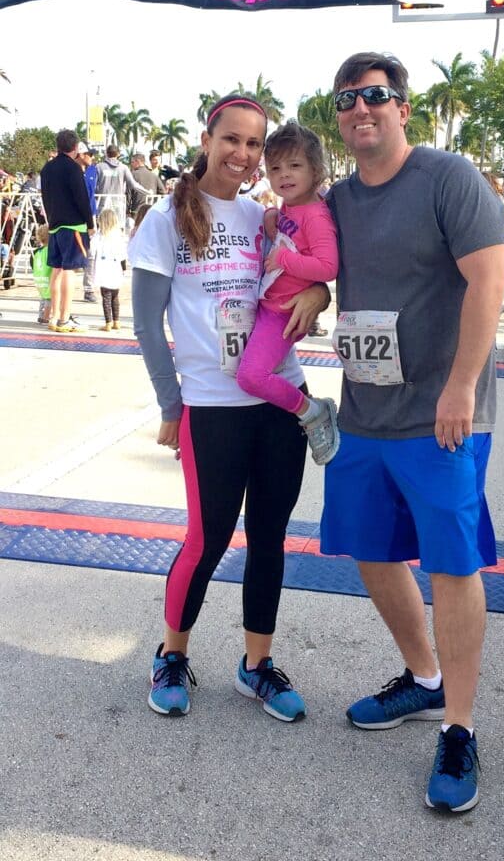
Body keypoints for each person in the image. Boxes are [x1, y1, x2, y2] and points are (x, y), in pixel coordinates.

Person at [320, 52, 504, 814]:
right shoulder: (336, 198)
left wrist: (461, 384)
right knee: (370, 552)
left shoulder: (447, 179)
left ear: (402, 107)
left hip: (443, 415)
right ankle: (423, 680)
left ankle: (459, 727)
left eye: (375, 96)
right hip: (364, 411)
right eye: (346, 99)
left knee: (452, 565)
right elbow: (311, 261)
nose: (361, 109)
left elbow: (489, 278)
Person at [130, 94, 328, 721]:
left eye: (254, 145)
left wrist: (321, 292)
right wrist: (170, 404)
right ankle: (171, 654)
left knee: (269, 538)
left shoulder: (265, 216)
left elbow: (306, 272)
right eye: (232, 141)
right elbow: (144, 324)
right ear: (208, 138)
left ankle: (256, 665)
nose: (243, 155)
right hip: (212, 405)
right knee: (208, 538)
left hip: (278, 400)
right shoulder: (165, 218)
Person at [235, 121, 339, 465]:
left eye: (295, 166)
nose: (284, 175)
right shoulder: (292, 207)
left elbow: (327, 267)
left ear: (316, 170)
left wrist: (284, 259)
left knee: (251, 376)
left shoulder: (316, 215)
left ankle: (312, 411)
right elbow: (288, 231)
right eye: (276, 168)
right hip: (269, 305)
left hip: (283, 313)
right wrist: (272, 215)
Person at [40, 129, 94, 333]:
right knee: (70, 271)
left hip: (55, 224)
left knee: (57, 269)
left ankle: (54, 315)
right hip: (74, 226)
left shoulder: (47, 169)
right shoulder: (73, 168)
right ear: (75, 147)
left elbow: (45, 197)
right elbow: (82, 199)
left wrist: (51, 219)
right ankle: (64, 318)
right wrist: (90, 224)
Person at [95, 144, 148, 231]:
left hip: (102, 203)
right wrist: (148, 192)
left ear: (106, 153)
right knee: (117, 230)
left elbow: (94, 186)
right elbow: (133, 185)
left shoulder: (99, 167)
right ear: (118, 154)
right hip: (118, 204)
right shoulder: (123, 168)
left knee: (102, 229)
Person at [90, 208, 126, 331]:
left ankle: (108, 322)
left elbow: (92, 249)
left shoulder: (99, 235)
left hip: (103, 268)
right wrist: (124, 268)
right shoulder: (119, 235)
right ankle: (117, 321)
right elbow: (122, 254)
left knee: (106, 296)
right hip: (116, 267)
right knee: (115, 296)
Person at [78, 143, 98, 303]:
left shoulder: (93, 170)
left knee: (91, 254)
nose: (92, 157)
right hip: (74, 217)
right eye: (89, 154)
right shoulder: (72, 170)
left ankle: (89, 289)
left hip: (90, 216)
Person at [31, 223, 52, 323]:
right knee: (49, 299)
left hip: (40, 279)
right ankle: (46, 316)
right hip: (49, 277)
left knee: (43, 297)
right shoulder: (51, 250)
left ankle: (41, 315)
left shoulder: (37, 252)